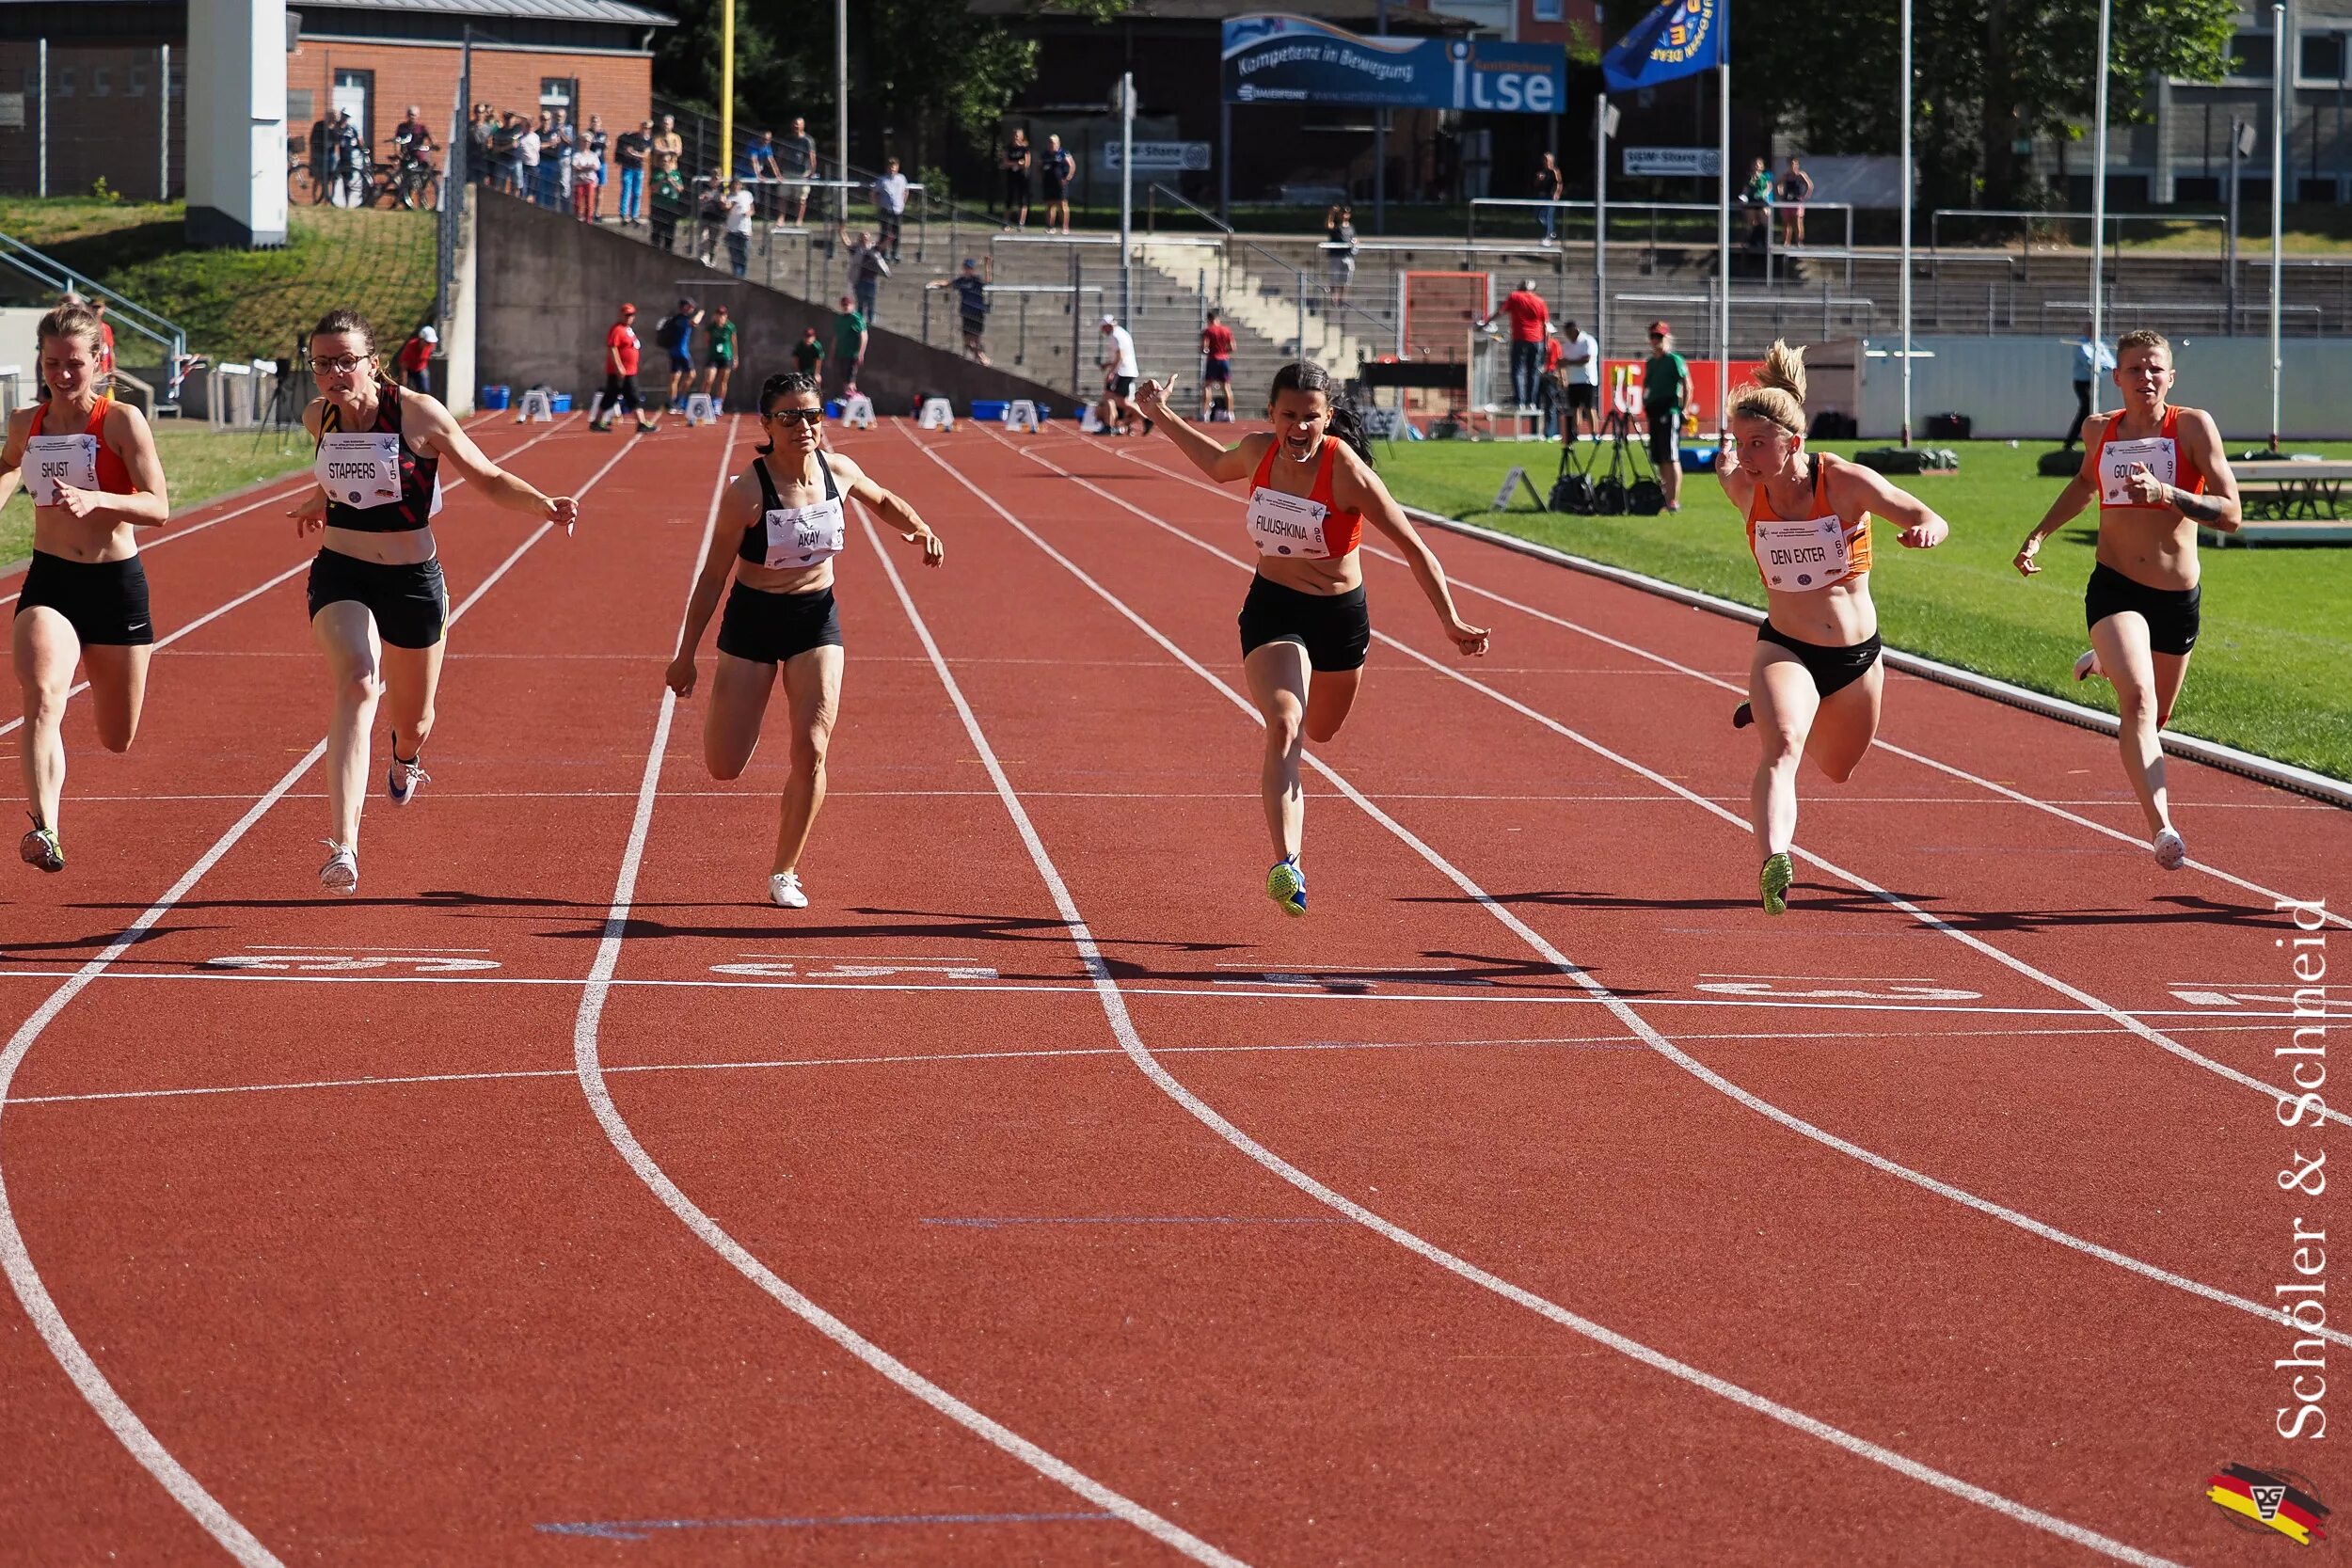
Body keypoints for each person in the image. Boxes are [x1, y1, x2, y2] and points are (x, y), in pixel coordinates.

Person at [1133, 363, 1488, 915]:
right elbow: (1213, 462)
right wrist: (1158, 412)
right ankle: (1287, 865)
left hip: (1340, 618)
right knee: (1284, 725)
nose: (1298, 429)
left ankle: (1289, 849)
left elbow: (1415, 548)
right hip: (1274, 607)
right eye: (1288, 416)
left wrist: (1451, 619)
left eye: (1311, 418)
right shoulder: (1258, 452)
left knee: (1321, 731)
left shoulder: (1345, 472)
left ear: (1329, 419)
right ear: (1271, 414)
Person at [288, 308, 580, 894]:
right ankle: (343, 843)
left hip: (412, 577)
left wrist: (543, 505)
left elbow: (487, 476)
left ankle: (405, 757)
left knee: (414, 720)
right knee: (357, 683)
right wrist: (320, 499)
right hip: (341, 570)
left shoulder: (417, 413)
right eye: (322, 363)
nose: (334, 373)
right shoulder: (317, 416)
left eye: (346, 361)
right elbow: (342, 475)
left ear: (373, 363)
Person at [665, 372, 944, 908]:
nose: (803, 426)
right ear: (766, 424)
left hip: (816, 618)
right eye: (789, 416)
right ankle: (736, 710)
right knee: (724, 766)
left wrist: (920, 527)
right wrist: (685, 656)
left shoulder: (837, 470)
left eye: (812, 414)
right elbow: (712, 576)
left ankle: (784, 871)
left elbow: (882, 498)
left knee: (812, 747)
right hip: (752, 620)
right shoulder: (747, 493)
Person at [1715, 341, 1951, 915]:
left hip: (1854, 658)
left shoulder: (1845, 483)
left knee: (1838, 769)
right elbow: (1727, 461)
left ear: (1793, 443)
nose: (1746, 457)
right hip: (1785, 646)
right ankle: (1775, 858)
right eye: (1741, 445)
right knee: (1783, 747)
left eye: (1758, 445)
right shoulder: (1743, 486)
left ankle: (1793, 708)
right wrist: (1730, 445)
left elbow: (1929, 516)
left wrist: (1925, 533)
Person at [2014, 329, 2241, 871]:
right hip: (2115, 586)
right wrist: (2039, 534)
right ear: (2116, 377)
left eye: (2155, 369)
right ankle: (2162, 828)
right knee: (2136, 703)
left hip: (2176, 595)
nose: (2146, 378)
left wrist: (2170, 495)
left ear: (2171, 376)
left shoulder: (2191, 426)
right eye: (2135, 369)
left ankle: (2105, 661)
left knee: (2157, 717)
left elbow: (2230, 514)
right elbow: (2083, 486)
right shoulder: (2100, 431)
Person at [0, 302, 168, 875]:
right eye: (52, 364)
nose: (63, 375)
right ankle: (44, 827)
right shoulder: (26, 423)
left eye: (74, 364)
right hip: (52, 580)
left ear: (99, 361)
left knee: (117, 736)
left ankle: (50, 815)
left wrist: (100, 499)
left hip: (115, 585)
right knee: (43, 695)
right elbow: (8, 463)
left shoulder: (121, 422)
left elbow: (159, 506)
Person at [1481, 277, 1549, 411]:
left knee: (1517, 370)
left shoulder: (1515, 296)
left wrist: (1486, 322)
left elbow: (1500, 311)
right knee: (1533, 372)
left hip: (1521, 338)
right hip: (1537, 340)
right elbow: (1545, 324)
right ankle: (1531, 402)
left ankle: (1519, 401)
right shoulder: (1540, 301)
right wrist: (1545, 344)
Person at [1643, 321, 1691, 513]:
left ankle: (1673, 499)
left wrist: (1684, 408)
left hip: (1669, 410)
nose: (1656, 341)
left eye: (1659, 337)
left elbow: (1687, 383)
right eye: (1653, 337)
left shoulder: (1674, 360)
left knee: (1671, 456)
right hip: (1655, 410)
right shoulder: (1651, 363)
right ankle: (1665, 496)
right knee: (1660, 457)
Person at [593, 302, 658, 435]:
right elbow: (612, 347)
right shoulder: (617, 329)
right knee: (621, 396)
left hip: (630, 371)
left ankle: (640, 422)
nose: (629, 317)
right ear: (621, 315)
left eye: (631, 315)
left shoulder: (628, 330)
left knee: (627, 397)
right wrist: (619, 367)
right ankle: (640, 422)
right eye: (627, 315)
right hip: (621, 372)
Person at [2062, 323, 2117, 450]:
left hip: (2094, 382)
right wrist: (2101, 365)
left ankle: (2087, 442)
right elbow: (2088, 362)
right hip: (2082, 382)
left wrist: (2103, 365)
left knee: (2091, 410)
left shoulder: (2100, 345)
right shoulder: (2081, 344)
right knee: (2086, 409)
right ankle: (2070, 442)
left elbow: (2111, 363)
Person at [930, 257, 992, 364]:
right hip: (966, 313)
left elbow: (987, 281)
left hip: (977, 312)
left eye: (970, 268)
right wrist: (935, 282)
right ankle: (981, 357)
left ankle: (981, 359)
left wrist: (987, 266)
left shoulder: (976, 280)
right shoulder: (961, 280)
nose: (968, 270)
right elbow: (948, 284)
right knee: (967, 342)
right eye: (966, 268)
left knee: (975, 340)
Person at [1097, 315, 1146, 436]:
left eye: (1104, 328)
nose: (1103, 331)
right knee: (1116, 399)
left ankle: (1144, 416)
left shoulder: (1116, 335)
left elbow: (1121, 356)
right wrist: (1108, 365)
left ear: (1108, 326)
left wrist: (1112, 372)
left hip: (1122, 372)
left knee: (1113, 398)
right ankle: (1111, 425)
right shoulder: (1121, 333)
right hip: (1126, 371)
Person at [659, 298, 703, 412]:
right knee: (691, 375)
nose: (692, 308)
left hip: (674, 351)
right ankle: (677, 400)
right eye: (690, 306)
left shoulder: (677, 318)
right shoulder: (681, 319)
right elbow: (694, 322)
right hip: (681, 352)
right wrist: (701, 313)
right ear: (684, 307)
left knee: (675, 377)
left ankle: (672, 402)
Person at [1561, 316, 1600, 441]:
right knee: (1574, 408)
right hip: (1573, 380)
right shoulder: (1567, 345)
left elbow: (1586, 359)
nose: (1568, 335)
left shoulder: (1588, 341)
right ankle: (1574, 433)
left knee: (1589, 407)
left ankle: (1594, 433)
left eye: (1569, 332)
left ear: (1575, 330)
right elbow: (1563, 363)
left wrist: (1569, 362)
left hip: (1587, 379)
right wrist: (1564, 376)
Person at [840, 227, 888, 325]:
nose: (865, 237)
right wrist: (842, 233)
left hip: (871, 281)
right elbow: (847, 243)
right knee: (861, 304)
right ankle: (860, 323)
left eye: (866, 236)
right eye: (863, 236)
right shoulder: (856, 249)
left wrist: (889, 239)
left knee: (871, 304)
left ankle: (870, 322)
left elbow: (883, 247)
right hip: (860, 281)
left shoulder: (873, 248)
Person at [779, 117, 818, 226]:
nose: (796, 126)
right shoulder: (788, 138)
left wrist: (812, 172)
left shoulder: (808, 140)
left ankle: (799, 220)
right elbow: (781, 154)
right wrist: (778, 170)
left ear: (803, 125)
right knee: (783, 195)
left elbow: (812, 157)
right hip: (788, 171)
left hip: (802, 172)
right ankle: (781, 218)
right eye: (794, 124)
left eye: (798, 124)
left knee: (801, 198)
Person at [1199, 308, 1235, 421]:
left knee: (1207, 386)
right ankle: (1230, 413)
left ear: (1209, 319)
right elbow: (1233, 347)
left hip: (1213, 359)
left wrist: (1208, 350)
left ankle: (1205, 413)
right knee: (1226, 387)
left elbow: (1204, 347)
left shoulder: (1208, 331)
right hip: (1224, 360)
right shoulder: (1226, 330)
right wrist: (1223, 351)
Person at [701, 304, 739, 411]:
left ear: (726, 316)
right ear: (715, 315)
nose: (720, 317)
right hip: (713, 356)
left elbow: (734, 343)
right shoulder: (711, 327)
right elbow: (707, 341)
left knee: (723, 381)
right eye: (718, 314)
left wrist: (735, 358)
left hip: (726, 357)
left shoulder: (730, 327)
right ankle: (704, 402)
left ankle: (718, 403)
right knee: (709, 379)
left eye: (723, 315)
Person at [871, 156, 910, 261]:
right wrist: (877, 205)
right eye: (890, 167)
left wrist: (903, 203)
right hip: (886, 209)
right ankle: (884, 253)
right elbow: (874, 193)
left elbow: (906, 191)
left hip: (898, 209)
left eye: (894, 167)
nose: (892, 169)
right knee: (885, 231)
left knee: (896, 232)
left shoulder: (902, 178)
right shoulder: (882, 180)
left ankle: (895, 252)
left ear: (897, 167)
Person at [615, 119, 651, 225]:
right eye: (644, 127)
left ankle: (635, 215)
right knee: (626, 190)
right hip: (628, 167)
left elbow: (645, 155)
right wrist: (636, 154)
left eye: (648, 128)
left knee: (637, 192)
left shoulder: (648, 141)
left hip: (638, 169)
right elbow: (627, 152)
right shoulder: (632, 137)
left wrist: (635, 154)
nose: (646, 129)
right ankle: (624, 213)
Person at [829, 294, 866, 395]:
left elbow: (864, 336)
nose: (845, 307)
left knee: (850, 381)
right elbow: (836, 338)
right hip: (842, 354)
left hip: (851, 354)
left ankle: (852, 402)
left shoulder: (856, 318)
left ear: (852, 305)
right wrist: (832, 353)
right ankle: (847, 402)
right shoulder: (840, 319)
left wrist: (861, 353)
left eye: (847, 304)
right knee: (845, 380)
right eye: (843, 305)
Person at [1778, 155, 1814, 249]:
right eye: (1791, 164)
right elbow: (1779, 185)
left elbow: (1810, 185)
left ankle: (1799, 242)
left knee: (1798, 222)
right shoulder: (1785, 175)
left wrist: (1805, 196)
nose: (1793, 166)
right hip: (1787, 201)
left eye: (1795, 164)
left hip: (1797, 201)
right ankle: (1786, 242)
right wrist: (1780, 194)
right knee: (1786, 223)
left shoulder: (1800, 175)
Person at [1042, 135, 1075, 234]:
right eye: (1050, 142)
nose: (1051, 144)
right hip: (1049, 183)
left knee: (1062, 205)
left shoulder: (1063, 153)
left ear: (1058, 143)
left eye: (1053, 142)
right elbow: (1039, 165)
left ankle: (1065, 227)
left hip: (1060, 184)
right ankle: (1050, 227)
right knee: (1049, 205)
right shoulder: (1045, 154)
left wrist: (1067, 177)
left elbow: (1072, 165)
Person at [1326, 204, 1358, 304]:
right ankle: (1334, 298)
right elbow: (1328, 225)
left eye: (1346, 214)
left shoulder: (1351, 228)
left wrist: (1355, 242)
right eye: (1342, 213)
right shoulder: (1336, 226)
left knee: (1346, 280)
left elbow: (1355, 238)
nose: (1344, 216)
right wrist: (1331, 212)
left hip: (1347, 256)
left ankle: (1343, 299)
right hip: (1336, 256)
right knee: (1334, 278)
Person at [723, 177, 755, 277]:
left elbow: (752, 210)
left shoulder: (747, 195)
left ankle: (742, 276)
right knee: (734, 256)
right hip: (732, 230)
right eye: (734, 185)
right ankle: (737, 275)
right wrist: (732, 205)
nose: (736, 187)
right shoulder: (728, 197)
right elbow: (726, 211)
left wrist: (748, 213)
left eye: (737, 184)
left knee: (744, 256)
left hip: (744, 230)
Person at [1001, 127, 1032, 230]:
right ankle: (1006, 222)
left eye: (1018, 135)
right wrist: (1016, 163)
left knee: (1022, 200)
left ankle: (1021, 223)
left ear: (1021, 137)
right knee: (1009, 199)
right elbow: (1005, 163)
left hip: (1022, 177)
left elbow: (1027, 163)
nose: (1016, 137)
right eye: (1014, 135)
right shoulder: (1008, 148)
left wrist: (1021, 164)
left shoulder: (1025, 148)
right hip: (1011, 177)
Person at [1742, 156, 1774, 249]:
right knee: (1752, 221)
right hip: (1752, 200)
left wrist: (1764, 194)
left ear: (1762, 166)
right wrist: (1744, 197)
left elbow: (1769, 187)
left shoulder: (1765, 176)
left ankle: (1765, 241)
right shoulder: (1749, 177)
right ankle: (1751, 241)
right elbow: (1746, 189)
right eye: (1755, 164)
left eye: (1759, 164)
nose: (1757, 166)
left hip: (1761, 200)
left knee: (1764, 218)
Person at [395, 323, 436, 396]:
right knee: (409, 391)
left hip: (421, 368)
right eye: (426, 342)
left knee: (425, 390)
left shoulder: (430, 346)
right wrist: (404, 381)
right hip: (409, 370)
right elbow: (404, 366)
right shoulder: (411, 346)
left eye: (430, 342)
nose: (428, 345)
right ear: (421, 339)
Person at [569, 133, 602, 222]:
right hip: (579, 181)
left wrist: (583, 167)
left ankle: (588, 221)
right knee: (578, 203)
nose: (586, 143)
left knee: (589, 203)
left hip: (590, 181)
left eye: (588, 142)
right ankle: (577, 220)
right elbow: (575, 167)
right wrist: (588, 167)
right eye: (584, 141)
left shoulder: (593, 155)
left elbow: (596, 167)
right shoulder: (576, 155)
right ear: (581, 142)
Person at [583, 114, 611, 220]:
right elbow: (590, 146)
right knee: (590, 188)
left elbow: (605, 146)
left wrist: (601, 145)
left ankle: (598, 213)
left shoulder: (603, 133)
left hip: (602, 163)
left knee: (600, 188)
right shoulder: (588, 133)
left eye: (597, 121)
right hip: (590, 165)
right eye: (593, 121)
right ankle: (588, 211)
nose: (595, 123)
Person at [1534, 152, 1562, 243]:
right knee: (1538, 216)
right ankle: (1552, 232)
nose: (1544, 162)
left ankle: (1548, 236)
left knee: (1549, 216)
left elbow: (1559, 183)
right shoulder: (1541, 172)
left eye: (1546, 160)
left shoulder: (1555, 171)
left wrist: (1557, 193)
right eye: (1543, 160)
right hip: (1542, 196)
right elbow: (1535, 185)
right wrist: (1538, 179)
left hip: (1551, 197)